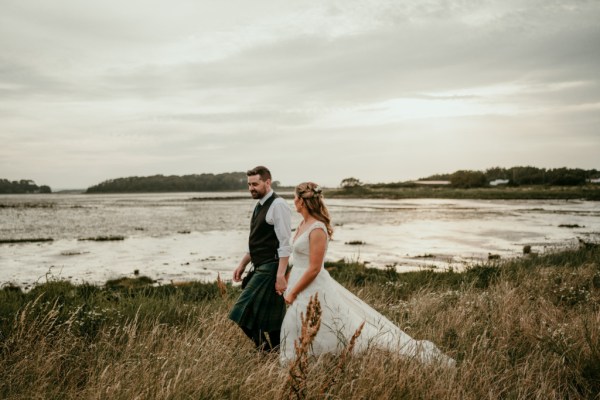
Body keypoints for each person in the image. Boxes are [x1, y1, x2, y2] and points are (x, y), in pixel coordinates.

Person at [280, 182, 455, 367]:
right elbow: (299, 261)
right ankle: (304, 362)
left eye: (295, 198)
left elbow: (314, 268)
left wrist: (293, 292)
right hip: (297, 282)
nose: (293, 202)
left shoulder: (317, 229)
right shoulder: (302, 224)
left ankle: (316, 361)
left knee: (322, 324)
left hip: (312, 286)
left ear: (302, 201)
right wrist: (287, 281)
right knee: (300, 324)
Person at [229, 166, 292, 352]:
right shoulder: (260, 205)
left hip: (271, 268)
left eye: (255, 184)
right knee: (272, 321)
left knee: (240, 312)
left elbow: (285, 243)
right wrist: (242, 264)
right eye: (249, 185)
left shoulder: (278, 205)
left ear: (267, 182)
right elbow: (257, 241)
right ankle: (276, 356)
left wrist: (281, 274)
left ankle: (263, 351)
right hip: (261, 266)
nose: (251, 188)